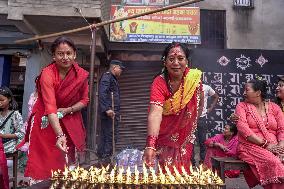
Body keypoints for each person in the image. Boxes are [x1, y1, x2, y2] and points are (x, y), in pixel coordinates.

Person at [17, 36, 89, 183]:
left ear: (75, 54)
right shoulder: (47, 73)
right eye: (60, 53)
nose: (65, 57)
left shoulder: (81, 75)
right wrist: (59, 135)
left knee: (66, 165)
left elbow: (85, 100)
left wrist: (68, 110)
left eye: (68, 53)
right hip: (45, 122)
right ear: (54, 55)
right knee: (43, 166)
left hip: (69, 119)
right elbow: (50, 107)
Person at [143, 42, 204, 172]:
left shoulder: (194, 79)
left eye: (180, 58)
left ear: (187, 61)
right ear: (165, 62)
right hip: (163, 134)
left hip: (185, 136)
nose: (176, 63)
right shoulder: (159, 82)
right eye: (171, 59)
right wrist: (150, 145)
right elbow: (155, 113)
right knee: (163, 173)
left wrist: (189, 124)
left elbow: (199, 105)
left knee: (182, 170)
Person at [235, 78, 284, 189]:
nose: (243, 93)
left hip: (275, 146)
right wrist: (266, 145)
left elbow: (282, 130)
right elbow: (243, 129)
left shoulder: (274, 107)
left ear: (258, 93)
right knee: (274, 162)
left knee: (280, 159)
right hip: (250, 146)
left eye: (247, 90)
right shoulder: (241, 106)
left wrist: (280, 149)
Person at [97, 60, 124, 162]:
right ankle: (106, 158)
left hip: (113, 113)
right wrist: (107, 109)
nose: (121, 71)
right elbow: (102, 93)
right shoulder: (107, 77)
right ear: (114, 68)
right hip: (109, 113)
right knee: (109, 135)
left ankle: (104, 156)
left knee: (110, 134)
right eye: (120, 69)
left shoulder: (112, 78)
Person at [192, 84, 219, 165]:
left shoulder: (206, 87)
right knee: (190, 141)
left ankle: (203, 162)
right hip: (190, 118)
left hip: (201, 117)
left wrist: (210, 108)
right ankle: (191, 163)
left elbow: (216, 96)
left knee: (202, 141)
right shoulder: (189, 86)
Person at [0, 87, 24, 154]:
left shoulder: (15, 115)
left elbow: (21, 134)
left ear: (9, 99)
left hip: (9, 148)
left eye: (2, 100)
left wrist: (3, 136)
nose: (0, 102)